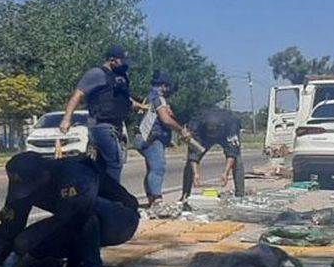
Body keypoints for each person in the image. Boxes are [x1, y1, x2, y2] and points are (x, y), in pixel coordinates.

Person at [0, 152, 140, 267]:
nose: (29, 193)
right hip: (76, 218)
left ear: (44, 176)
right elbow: (9, 225)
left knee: (83, 215)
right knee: (23, 243)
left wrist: (23, 264)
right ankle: (64, 265)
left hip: (121, 219)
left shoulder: (74, 172)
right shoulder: (24, 184)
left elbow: (75, 216)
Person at [59, 45, 144, 182]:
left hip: (114, 126)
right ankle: (113, 197)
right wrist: (66, 118)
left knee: (103, 165)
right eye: (122, 61)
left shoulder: (118, 77)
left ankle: (99, 198)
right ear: (112, 60)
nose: (125, 65)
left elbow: (127, 101)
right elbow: (78, 95)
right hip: (101, 125)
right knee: (115, 164)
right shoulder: (96, 74)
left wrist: (143, 107)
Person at [135, 71, 191, 207]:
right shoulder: (158, 99)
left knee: (151, 169)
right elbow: (165, 120)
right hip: (152, 139)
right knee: (158, 168)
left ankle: (151, 200)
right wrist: (181, 130)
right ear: (164, 86)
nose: (169, 90)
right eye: (168, 87)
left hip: (143, 137)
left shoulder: (148, 98)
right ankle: (157, 200)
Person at [181, 108, 245, 200]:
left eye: (214, 131)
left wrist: (226, 173)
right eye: (211, 130)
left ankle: (240, 194)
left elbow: (232, 152)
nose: (213, 135)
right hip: (204, 136)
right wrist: (196, 173)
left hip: (225, 133)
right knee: (189, 164)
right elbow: (193, 154)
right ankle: (185, 195)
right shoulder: (198, 124)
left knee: (237, 160)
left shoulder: (231, 125)